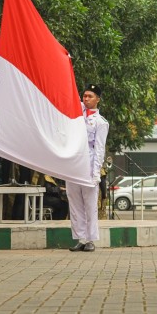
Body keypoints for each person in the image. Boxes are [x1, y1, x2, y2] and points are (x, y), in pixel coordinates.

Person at [67, 84, 109, 252]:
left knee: (90, 204)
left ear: (97, 99)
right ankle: (80, 238)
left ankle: (91, 239)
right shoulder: (76, 115)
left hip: (89, 164)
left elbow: (99, 149)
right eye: (84, 96)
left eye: (90, 96)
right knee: (75, 203)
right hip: (73, 164)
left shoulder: (101, 122)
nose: (86, 99)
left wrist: (96, 172)